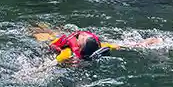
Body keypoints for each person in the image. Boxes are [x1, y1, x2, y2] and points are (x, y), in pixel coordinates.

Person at [32, 27, 163, 63]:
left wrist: (30, 75)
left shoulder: (68, 53)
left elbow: (49, 65)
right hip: (60, 38)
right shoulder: (103, 45)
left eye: (82, 38)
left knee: (38, 32)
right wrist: (149, 41)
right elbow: (129, 46)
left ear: (80, 47)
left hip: (50, 42)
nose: (82, 34)